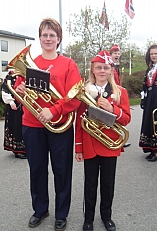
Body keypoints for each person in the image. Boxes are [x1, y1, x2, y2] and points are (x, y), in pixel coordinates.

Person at [14, 18, 81, 230]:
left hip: (60, 125)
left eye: (52, 35)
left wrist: (53, 110)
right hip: (32, 125)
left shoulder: (69, 64)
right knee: (37, 170)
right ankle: (40, 210)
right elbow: (18, 92)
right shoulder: (29, 64)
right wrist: (21, 92)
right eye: (44, 35)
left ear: (59, 39)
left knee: (62, 171)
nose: (48, 38)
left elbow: (76, 96)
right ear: (40, 38)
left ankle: (62, 214)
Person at [75, 50, 131, 231]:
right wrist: (78, 147)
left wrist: (112, 108)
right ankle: (88, 219)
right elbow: (79, 121)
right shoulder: (84, 91)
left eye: (106, 67)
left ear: (110, 70)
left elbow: (126, 119)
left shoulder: (120, 92)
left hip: (109, 144)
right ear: (92, 69)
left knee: (108, 184)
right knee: (90, 184)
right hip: (90, 143)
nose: (102, 71)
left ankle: (106, 216)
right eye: (98, 67)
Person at [1, 70, 26, 159]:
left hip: (25, 104)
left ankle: (25, 148)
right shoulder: (11, 75)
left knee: (24, 127)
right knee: (16, 127)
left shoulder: (25, 73)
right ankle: (18, 150)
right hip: (14, 105)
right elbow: (5, 89)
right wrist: (11, 102)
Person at [110, 44, 131, 148]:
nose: (117, 55)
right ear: (111, 54)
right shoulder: (110, 66)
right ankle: (115, 138)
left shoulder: (115, 66)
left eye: (118, 53)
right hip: (112, 94)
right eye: (115, 53)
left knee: (119, 115)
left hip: (117, 93)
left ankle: (119, 138)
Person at [139, 44, 157, 162]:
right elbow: (145, 85)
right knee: (149, 122)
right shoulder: (149, 69)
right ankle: (151, 148)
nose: (154, 56)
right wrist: (143, 99)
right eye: (152, 54)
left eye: (156, 53)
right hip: (150, 97)